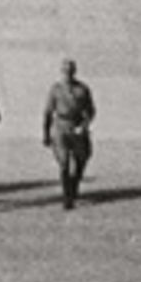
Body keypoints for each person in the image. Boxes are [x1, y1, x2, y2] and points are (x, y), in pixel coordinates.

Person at [42, 58, 97, 209]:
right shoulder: (56, 89)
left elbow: (91, 111)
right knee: (64, 162)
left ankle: (74, 183)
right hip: (61, 126)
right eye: (65, 71)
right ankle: (67, 197)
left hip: (77, 126)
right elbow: (48, 112)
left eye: (70, 71)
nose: (68, 74)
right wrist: (46, 133)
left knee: (82, 158)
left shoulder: (82, 89)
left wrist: (84, 126)